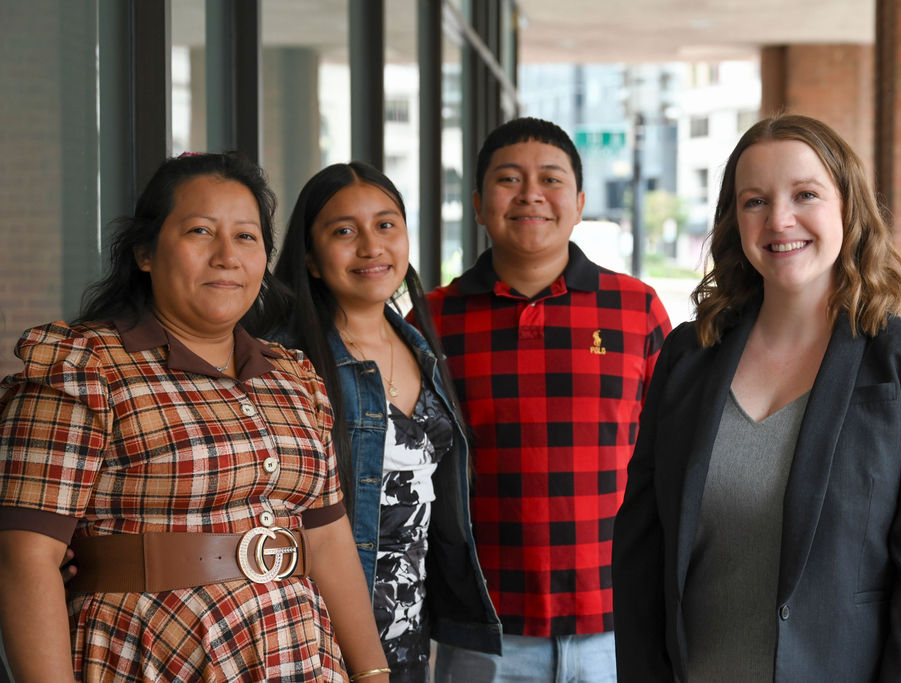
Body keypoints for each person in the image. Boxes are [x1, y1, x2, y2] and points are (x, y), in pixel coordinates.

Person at [612, 114, 901, 681]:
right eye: (754, 201)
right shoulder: (689, 355)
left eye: (805, 194)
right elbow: (641, 554)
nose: (779, 219)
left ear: (848, 207)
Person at [0, 152, 389, 682]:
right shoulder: (84, 368)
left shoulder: (293, 376)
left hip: (298, 656)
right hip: (149, 657)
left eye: (247, 237)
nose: (227, 256)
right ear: (144, 252)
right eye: (201, 232)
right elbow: (24, 560)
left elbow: (328, 542)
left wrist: (372, 674)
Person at [425, 117, 673, 682]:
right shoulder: (433, 321)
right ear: (480, 204)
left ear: (580, 202)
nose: (531, 193)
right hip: (482, 627)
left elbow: (675, 460)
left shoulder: (636, 311)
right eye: (509, 179)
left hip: (615, 620)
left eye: (551, 179)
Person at [257, 162, 500, 682]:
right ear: (311, 259)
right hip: (316, 631)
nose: (371, 246)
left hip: (407, 629)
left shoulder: (419, 346)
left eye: (386, 225)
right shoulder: (286, 358)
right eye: (344, 231)